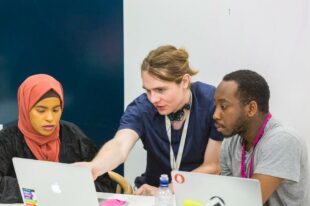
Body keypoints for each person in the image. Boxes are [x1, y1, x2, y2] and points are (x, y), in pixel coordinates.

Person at [79, 45, 223, 196]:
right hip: (150, 195)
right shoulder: (142, 107)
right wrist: (95, 166)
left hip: (197, 194)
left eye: (161, 90)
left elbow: (212, 166)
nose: (153, 99)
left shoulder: (210, 103)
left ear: (185, 81)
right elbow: (120, 145)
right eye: (148, 90)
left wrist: (166, 191)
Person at [0, 74, 113, 203]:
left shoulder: (73, 135)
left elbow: (105, 186)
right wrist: (41, 189)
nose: (50, 118)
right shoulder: (7, 139)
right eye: (41, 110)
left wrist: (69, 188)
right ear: (25, 108)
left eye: (56, 110)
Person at [213, 70, 309, 205]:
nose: (215, 115)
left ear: (251, 109)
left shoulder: (284, 140)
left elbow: (248, 203)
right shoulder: (230, 142)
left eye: (223, 106)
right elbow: (227, 198)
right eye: (215, 106)